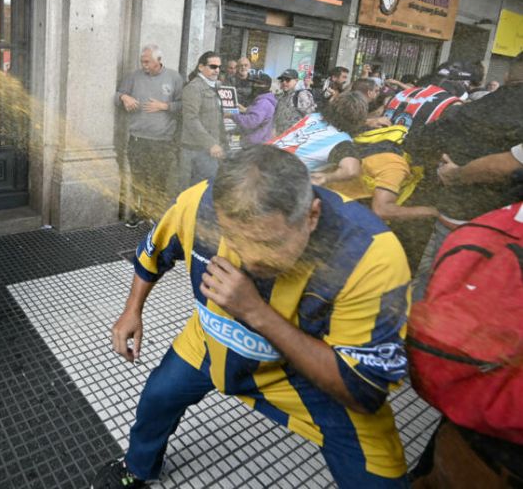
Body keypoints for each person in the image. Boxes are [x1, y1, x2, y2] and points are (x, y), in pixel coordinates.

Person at [90, 145, 413, 489]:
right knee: (158, 396)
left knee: (380, 476)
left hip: (305, 376)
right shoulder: (198, 204)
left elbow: (363, 390)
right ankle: (137, 467)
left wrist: (256, 312)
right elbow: (153, 252)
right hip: (211, 341)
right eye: (232, 239)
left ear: (312, 216)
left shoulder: (370, 255)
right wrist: (131, 311)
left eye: (269, 243)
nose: (249, 259)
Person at [404, 51, 523, 301]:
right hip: (508, 233)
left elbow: (419, 142)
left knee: (431, 291)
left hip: (455, 219)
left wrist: (451, 171)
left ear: (511, 71)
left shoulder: (472, 109)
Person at [116, 45, 184, 226]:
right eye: (142, 61)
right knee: (139, 179)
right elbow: (117, 95)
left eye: (147, 62)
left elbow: (184, 105)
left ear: (158, 61)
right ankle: (140, 213)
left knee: (159, 180)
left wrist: (165, 106)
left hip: (162, 141)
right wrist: (124, 98)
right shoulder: (134, 77)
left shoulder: (174, 78)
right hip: (137, 139)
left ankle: (156, 214)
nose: (144, 65)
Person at [270, 91, 368, 177]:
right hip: (279, 176)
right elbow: (351, 171)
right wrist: (325, 178)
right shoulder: (342, 141)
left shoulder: (314, 117)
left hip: (263, 155)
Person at [179, 51, 225, 189]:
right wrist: (211, 143)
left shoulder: (214, 86)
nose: (216, 70)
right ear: (201, 67)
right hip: (196, 151)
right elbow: (191, 119)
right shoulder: (194, 88)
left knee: (207, 194)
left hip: (210, 151)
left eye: (218, 67)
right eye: (212, 66)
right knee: (196, 195)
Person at [229, 72, 276, 146]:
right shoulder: (262, 100)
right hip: (257, 142)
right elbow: (260, 116)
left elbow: (251, 122)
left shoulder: (263, 103)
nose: (254, 85)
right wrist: (246, 110)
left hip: (257, 146)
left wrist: (231, 115)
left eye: (258, 83)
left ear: (266, 86)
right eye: (253, 83)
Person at [272, 68, 315, 135]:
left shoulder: (301, 95)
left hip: (294, 138)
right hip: (279, 137)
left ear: (296, 81)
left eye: (287, 80)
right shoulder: (280, 97)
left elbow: (310, 118)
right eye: (282, 80)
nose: (284, 82)